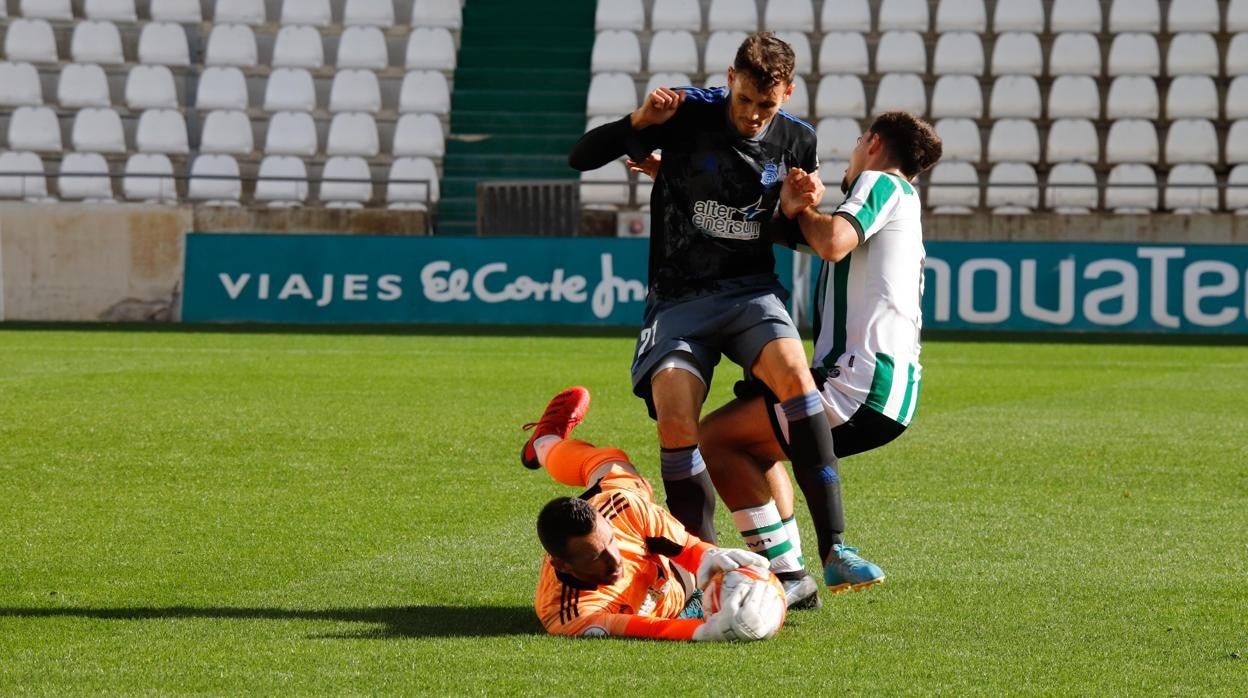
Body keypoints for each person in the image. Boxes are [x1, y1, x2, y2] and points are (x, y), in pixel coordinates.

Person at [564, 31, 847, 609]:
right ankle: (701, 576)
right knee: (675, 418)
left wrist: (802, 208)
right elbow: (581, 157)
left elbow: (785, 231)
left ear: (786, 94)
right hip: (678, 297)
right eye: (743, 100)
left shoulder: (799, 141)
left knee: (797, 377)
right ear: (730, 80)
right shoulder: (687, 112)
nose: (750, 115)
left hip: (750, 292)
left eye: (765, 106)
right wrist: (639, 121)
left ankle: (834, 549)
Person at [699, 111, 943, 593]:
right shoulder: (899, 206)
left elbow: (829, 241)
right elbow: (798, 234)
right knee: (753, 441)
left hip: (858, 384)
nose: (853, 156)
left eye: (857, 142)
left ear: (873, 144)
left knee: (716, 438)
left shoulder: (881, 182)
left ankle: (792, 572)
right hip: (883, 390)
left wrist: (803, 211)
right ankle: (795, 573)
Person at [525, 386, 782, 641]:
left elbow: (689, 548)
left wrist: (710, 557)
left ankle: (545, 444)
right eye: (596, 557)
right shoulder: (568, 613)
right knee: (691, 587)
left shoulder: (621, 508)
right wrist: (705, 631)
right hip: (670, 595)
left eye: (611, 541)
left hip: (650, 544)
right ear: (562, 565)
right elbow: (642, 629)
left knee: (611, 461)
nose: (615, 560)